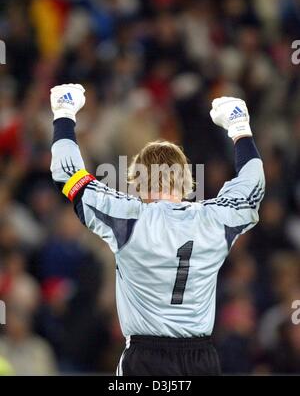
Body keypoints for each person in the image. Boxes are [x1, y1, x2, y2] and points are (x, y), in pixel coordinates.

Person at [49, 84, 265, 376]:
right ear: (187, 183)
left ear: (138, 182)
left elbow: (67, 172)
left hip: (145, 358)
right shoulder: (215, 220)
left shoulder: (127, 218)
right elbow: (253, 183)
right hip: (202, 359)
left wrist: (64, 112)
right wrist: (240, 127)